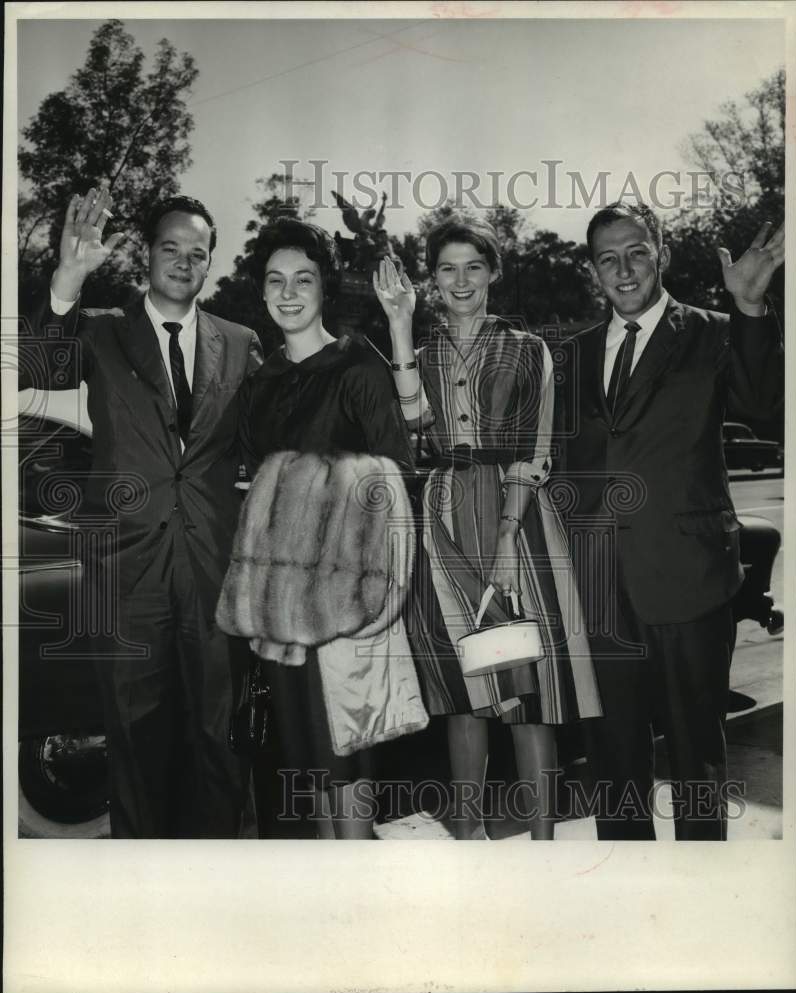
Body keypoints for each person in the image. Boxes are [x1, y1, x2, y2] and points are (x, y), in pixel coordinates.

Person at [19, 185, 264, 837]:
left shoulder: (241, 343)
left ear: (211, 261)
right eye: (170, 248)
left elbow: (270, 448)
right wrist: (69, 274)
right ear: (146, 257)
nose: (184, 262)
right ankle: (144, 905)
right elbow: (36, 369)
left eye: (198, 252)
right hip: (126, 580)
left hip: (216, 577)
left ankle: (215, 894)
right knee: (135, 749)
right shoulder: (100, 333)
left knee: (221, 743)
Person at [373, 216, 603, 840]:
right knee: (460, 685)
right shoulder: (419, 354)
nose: (461, 280)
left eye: (474, 266)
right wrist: (398, 324)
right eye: (447, 268)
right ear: (432, 279)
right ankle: (469, 838)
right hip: (442, 515)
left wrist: (507, 536)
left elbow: (536, 449)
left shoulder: (529, 349)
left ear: (494, 272)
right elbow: (413, 427)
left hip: (515, 517)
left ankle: (544, 845)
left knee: (527, 686)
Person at [561, 201, 784, 840]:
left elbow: (767, 405)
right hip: (601, 592)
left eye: (637, 251)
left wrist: (747, 308)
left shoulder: (712, 331)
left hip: (689, 578)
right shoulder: (572, 354)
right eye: (608, 257)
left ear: (662, 255)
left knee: (695, 766)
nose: (624, 269)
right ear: (593, 270)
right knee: (614, 768)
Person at [236, 218, 421, 840]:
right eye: (275, 280)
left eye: (304, 279)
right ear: (260, 290)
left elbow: (398, 475)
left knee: (348, 762)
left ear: (325, 288)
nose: (288, 293)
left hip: (344, 602)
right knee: (304, 766)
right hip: (279, 610)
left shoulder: (357, 366)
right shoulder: (258, 385)